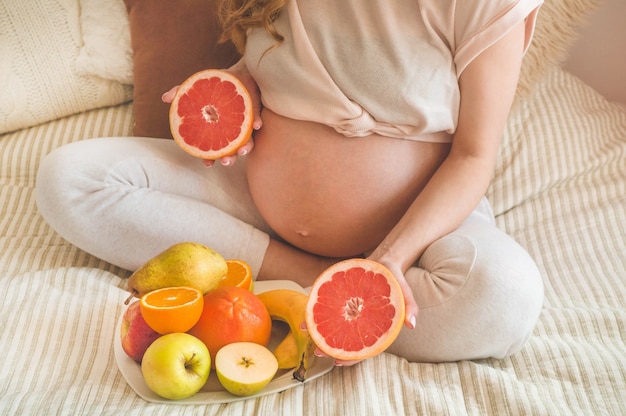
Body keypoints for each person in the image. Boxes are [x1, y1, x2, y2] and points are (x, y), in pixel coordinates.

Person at [35, 0, 545, 366]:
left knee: (504, 297)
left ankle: (356, 293)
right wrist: (243, 83)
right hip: (254, 198)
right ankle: (315, 286)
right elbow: (285, 60)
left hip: (416, 229)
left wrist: (390, 262)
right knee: (70, 179)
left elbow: (475, 155)